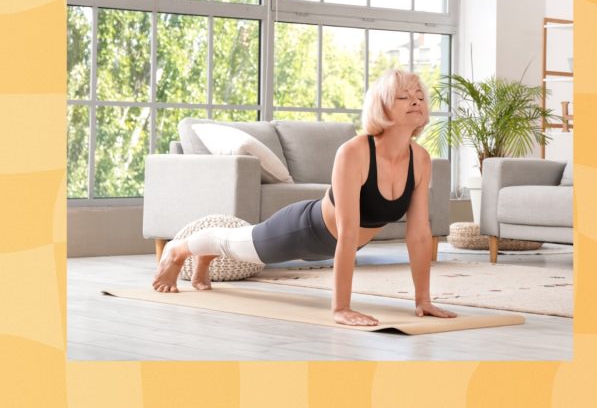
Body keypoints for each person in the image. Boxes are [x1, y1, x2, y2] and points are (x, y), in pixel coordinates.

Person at [152, 68, 458, 326]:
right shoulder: (355, 152)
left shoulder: (420, 158)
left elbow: (418, 234)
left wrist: (423, 301)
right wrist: (340, 308)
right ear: (382, 107)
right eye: (403, 97)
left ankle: (205, 255)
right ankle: (178, 250)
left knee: (239, 245)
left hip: (331, 245)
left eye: (419, 96)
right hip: (304, 230)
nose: (415, 101)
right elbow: (348, 232)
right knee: (238, 244)